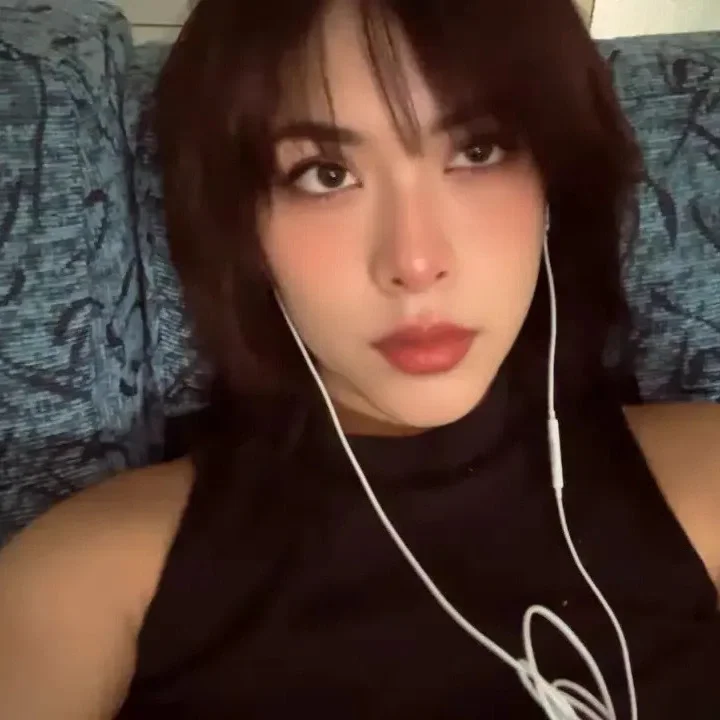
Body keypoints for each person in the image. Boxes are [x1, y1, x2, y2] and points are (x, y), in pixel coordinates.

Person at [1, 0, 719, 717]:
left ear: (555, 186)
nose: (415, 263)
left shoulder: (704, 482)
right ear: (240, 224)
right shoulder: (91, 581)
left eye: (478, 151)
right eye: (325, 174)